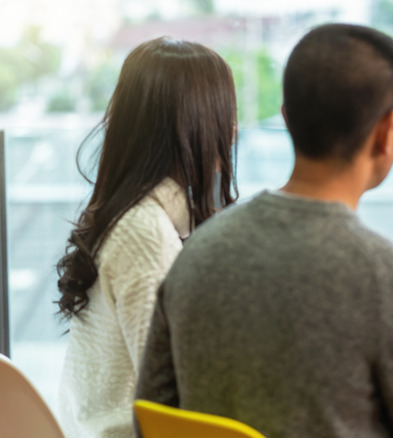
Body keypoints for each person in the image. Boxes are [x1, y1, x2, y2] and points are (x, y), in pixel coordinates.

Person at [135, 23, 393, 438]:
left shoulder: (197, 251)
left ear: (287, 119)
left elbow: (148, 415)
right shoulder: (385, 275)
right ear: (387, 132)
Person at [55, 37, 239, 438]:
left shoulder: (126, 213)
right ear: (196, 123)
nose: (233, 128)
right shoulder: (146, 236)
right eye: (226, 112)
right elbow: (170, 403)